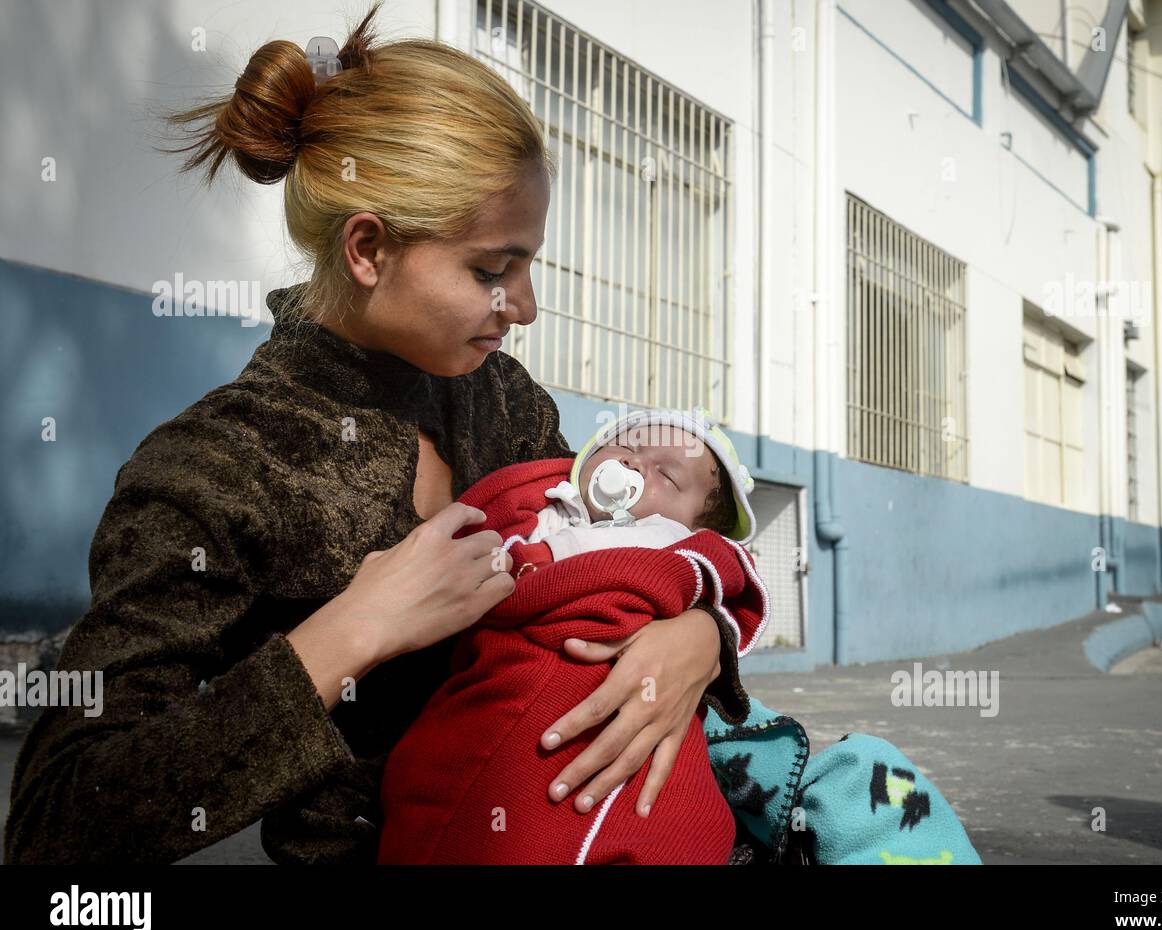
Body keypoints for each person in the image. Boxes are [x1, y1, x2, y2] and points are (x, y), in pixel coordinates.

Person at [2, 2, 750, 865]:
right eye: (490, 270)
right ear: (367, 249)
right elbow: (56, 825)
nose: (527, 307)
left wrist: (700, 637)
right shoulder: (215, 466)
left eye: (529, 264)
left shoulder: (503, 403)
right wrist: (349, 632)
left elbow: (626, 565)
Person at [379, 410, 770, 864]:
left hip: (633, 688)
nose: (636, 464)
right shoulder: (549, 509)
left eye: (666, 473)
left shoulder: (676, 542)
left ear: (698, 525)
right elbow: (496, 563)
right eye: (627, 446)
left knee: (674, 822)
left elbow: (719, 574)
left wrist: (702, 627)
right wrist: (529, 556)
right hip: (510, 681)